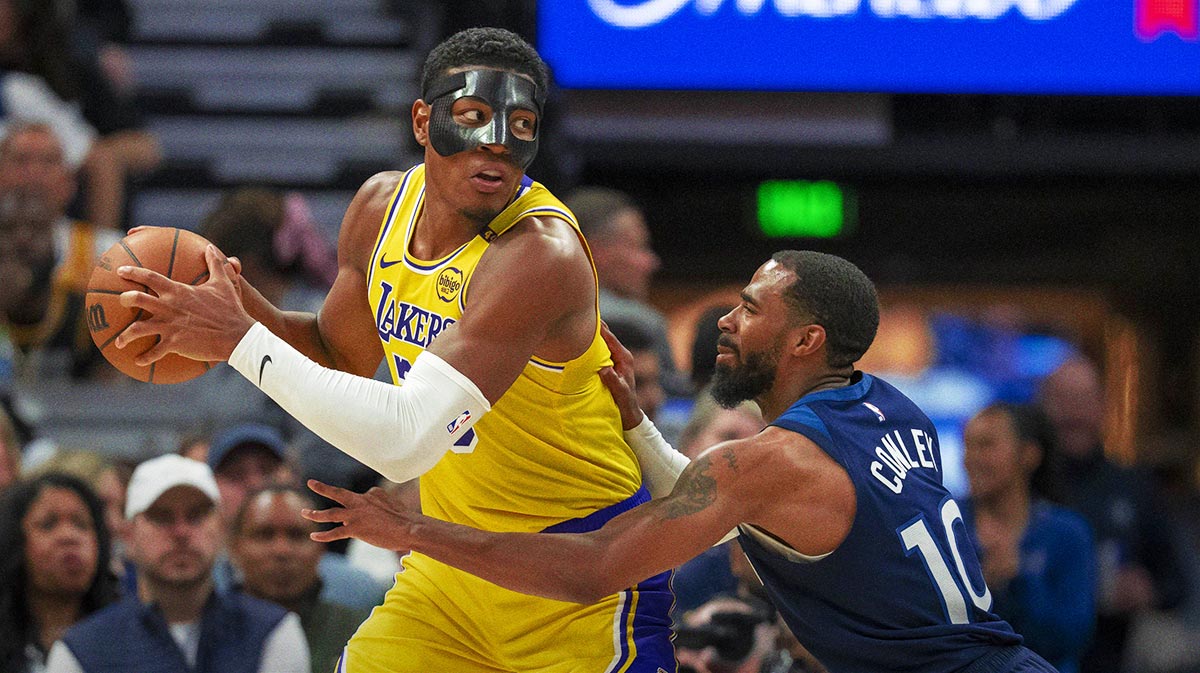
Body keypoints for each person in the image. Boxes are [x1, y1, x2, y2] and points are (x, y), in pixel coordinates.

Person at [112, 27, 674, 672]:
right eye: (472, 117)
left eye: (521, 123)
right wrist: (243, 308)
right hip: (455, 571)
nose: (496, 142)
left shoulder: (538, 254)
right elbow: (336, 354)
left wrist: (238, 340)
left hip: (573, 572)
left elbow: (405, 441)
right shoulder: (382, 205)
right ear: (422, 120)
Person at [304, 250, 1060, 673]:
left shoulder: (775, 460)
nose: (723, 321)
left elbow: (592, 568)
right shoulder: (893, 407)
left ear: (807, 341)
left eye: (750, 308)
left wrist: (417, 532)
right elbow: (734, 508)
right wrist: (636, 423)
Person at [44, 454, 308, 673]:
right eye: (161, 517)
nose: (181, 532)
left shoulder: (274, 632)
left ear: (220, 529)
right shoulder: (80, 651)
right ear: (129, 534)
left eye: (196, 516)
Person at [1036, 357, 1190, 673]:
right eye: (1063, 399)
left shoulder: (1135, 486)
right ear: (1042, 407)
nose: (1073, 412)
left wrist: (1148, 589)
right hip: (1031, 653)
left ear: (1103, 406)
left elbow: (1177, 582)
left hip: (1110, 653)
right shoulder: (1022, 487)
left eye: (1083, 399)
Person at [962, 403, 1095, 673]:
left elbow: (1070, 638)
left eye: (986, 445)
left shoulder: (1068, 533)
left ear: (1029, 455)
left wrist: (1019, 579)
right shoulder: (944, 525)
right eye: (968, 445)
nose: (971, 458)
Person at [206, 422, 385, 612]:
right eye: (236, 475)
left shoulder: (357, 591)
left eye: (267, 470)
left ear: (294, 475)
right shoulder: (198, 590)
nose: (255, 484)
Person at [0, 123, 121, 379]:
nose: (33, 174)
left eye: (48, 162)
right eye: (21, 161)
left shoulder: (111, 252)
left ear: (69, 183)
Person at [229, 486, 371, 673]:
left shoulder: (361, 631)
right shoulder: (206, 629)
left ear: (322, 548)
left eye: (296, 535)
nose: (282, 550)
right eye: (265, 534)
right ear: (234, 547)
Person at [565, 185, 686, 395]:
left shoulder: (531, 310)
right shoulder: (640, 322)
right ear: (596, 251)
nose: (652, 262)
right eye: (640, 246)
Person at [0, 473, 118, 673]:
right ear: (15, 541)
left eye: (81, 524)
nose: (69, 537)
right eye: (48, 524)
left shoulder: (127, 635)